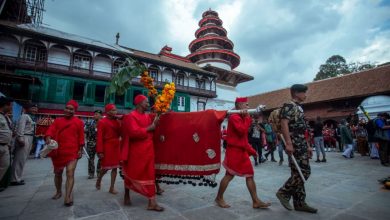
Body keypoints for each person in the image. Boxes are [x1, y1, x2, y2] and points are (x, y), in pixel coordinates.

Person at [215, 97, 271, 209]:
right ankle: (219, 198)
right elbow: (241, 131)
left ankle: (256, 201)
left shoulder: (241, 116)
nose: (248, 107)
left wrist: (251, 150)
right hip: (234, 151)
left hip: (241, 151)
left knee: (250, 174)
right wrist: (247, 118)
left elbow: (243, 139)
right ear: (239, 105)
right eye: (246, 105)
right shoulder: (234, 117)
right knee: (229, 175)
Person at [275, 84, 317, 214]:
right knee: (304, 172)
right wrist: (288, 143)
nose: (305, 95)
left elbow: (301, 129)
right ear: (297, 93)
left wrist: (308, 145)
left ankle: (299, 203)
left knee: (297, 173)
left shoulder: (299, 107)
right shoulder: (289, 106)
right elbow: (284, 124)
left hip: (301, 142)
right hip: (294, 143)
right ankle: (283, 192)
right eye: (304, 92)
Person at [121, 94, 163, 211]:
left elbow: (156, 122)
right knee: (131, 173)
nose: (148, 104)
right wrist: (150, 128)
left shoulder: (147, 116)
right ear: (139, 103)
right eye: (146, 102)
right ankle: (126, 194)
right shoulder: (130, 116)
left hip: (149, 150)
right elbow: (133, 133)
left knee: (150, 174)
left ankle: (151, 202)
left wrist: (162, 111)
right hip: (136, 151)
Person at [45, 100, 85, 206]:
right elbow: (50, 130)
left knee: (70, 173)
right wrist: (48, 137)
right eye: (67, 108)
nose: (68, 110)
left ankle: (67, 196)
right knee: (58, 173)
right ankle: (58, 192)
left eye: (71, 109)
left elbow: (81, 137)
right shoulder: (57, 121)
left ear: (75, 111)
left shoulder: (79, 122)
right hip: (58, 151)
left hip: (72, 151)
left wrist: (80, 150)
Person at [95, 104, 121, 194]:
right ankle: (99, 179)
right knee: (105, 168)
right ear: (108, 112)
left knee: (115, 168)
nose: (115, 112)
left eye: (115, 110)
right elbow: (99, 138)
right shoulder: (102, 122)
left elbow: (121, 132)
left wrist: (121, 121)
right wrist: (100, 151)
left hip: (116, 146)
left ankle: (112, 187)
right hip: (107, 146)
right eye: (113, 110)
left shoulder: (117, 121)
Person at [10, 103, 37, 185]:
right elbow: (20, 129)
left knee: (23, 159)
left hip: (29, 138)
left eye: (36, 109)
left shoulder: (31, 117)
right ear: (27, 109)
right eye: (33, 108)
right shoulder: (24, 116)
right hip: (24, 138)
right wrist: (21, 139)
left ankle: (18, 177)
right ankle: (14, 179)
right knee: (19, 159)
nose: (35, 110)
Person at [0, 97, 13, 192]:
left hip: (5, 146)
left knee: (5, 165)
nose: (11, 107)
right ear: (5, 105)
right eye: (10, 105)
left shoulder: (6, 117)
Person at [85, 110, 102, 179]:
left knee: (101, 158)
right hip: (91, 143)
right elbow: (85, 132)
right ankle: (91, 173)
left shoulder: (103, 123)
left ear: (100, 115)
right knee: (90, 159)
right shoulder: (89, 123)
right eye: (94, 114)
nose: (95, 115)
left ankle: (99, 172)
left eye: (97, 114)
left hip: (100, 143)